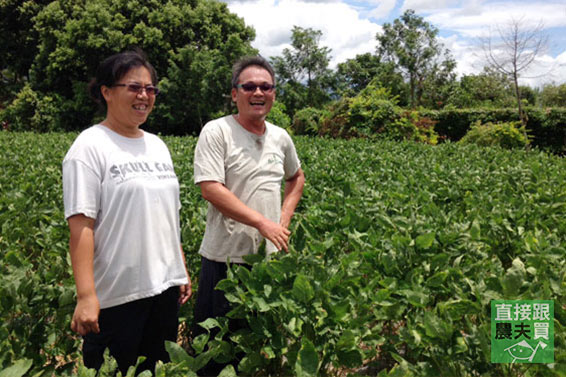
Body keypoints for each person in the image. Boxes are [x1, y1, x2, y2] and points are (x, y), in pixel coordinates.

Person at [62, 49, 192, 375]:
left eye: (150, 89)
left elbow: (166, 216)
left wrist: (180, 267)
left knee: (156, 369)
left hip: (163, 289)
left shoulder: (157, 145)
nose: (144, 96)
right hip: (116, 296)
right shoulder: (89, 147)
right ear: (106, 92)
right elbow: (81, 226)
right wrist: (87, 296)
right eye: (134, 87)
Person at [192, 56, 305, 374]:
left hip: (267, 264)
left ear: (273, 93)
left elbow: (296, 178)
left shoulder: (280, 137)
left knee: (259, 352)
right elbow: (211, 188)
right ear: (234, 94)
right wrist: (262, 222)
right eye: (250, 86)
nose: (258, 92)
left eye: (265, 87)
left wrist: (283, 219)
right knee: (216, 354)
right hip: (224, 262)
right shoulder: (217, 132)